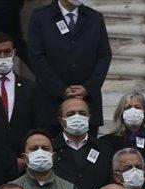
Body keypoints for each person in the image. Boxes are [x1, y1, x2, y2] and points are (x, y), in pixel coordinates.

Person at [26, 0, 112, 132]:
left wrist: (88, 87)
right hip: (50, 102)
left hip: (87, 102)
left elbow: (104, 55)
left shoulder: (95, 18)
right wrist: (61, 89)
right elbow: (36, 57)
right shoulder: (41, 16)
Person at [51, 97, 115, 189]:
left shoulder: (105, 150)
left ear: (89, 117)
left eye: (82, 113)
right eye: (71, 114)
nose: (77, 117)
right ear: (61, 121)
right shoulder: (51, 149)